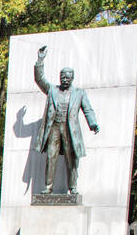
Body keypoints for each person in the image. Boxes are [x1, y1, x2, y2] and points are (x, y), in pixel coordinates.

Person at [33, 45, 99, 195]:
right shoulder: (52, 90)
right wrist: (40, 60)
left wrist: (93, 123)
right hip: (54, 128)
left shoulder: (79, 93)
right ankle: (48, 187)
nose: (64, 79)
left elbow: (87, 109)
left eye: (67, 77)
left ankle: (73, 187)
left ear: (72, 78)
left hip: (70, 130)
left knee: (72, 159)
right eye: (62, 76)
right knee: (51, 157)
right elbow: (39, 79)